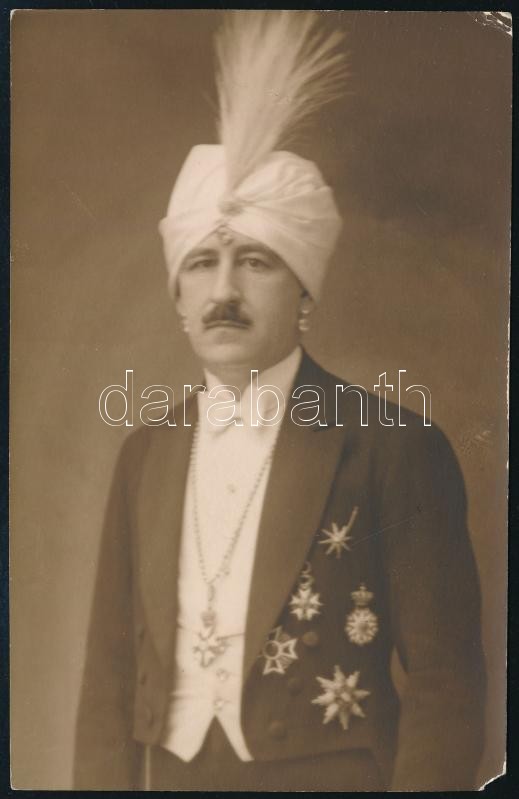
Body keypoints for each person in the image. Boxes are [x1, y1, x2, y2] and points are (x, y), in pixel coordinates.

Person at [74, 11, 485, 791]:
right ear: (178, 296)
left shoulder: (391, 447)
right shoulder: (145, 454)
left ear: (304, 292)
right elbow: (105, 690)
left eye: (256, 262)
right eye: (202, 263)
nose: (223, 291)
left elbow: (446, 691)